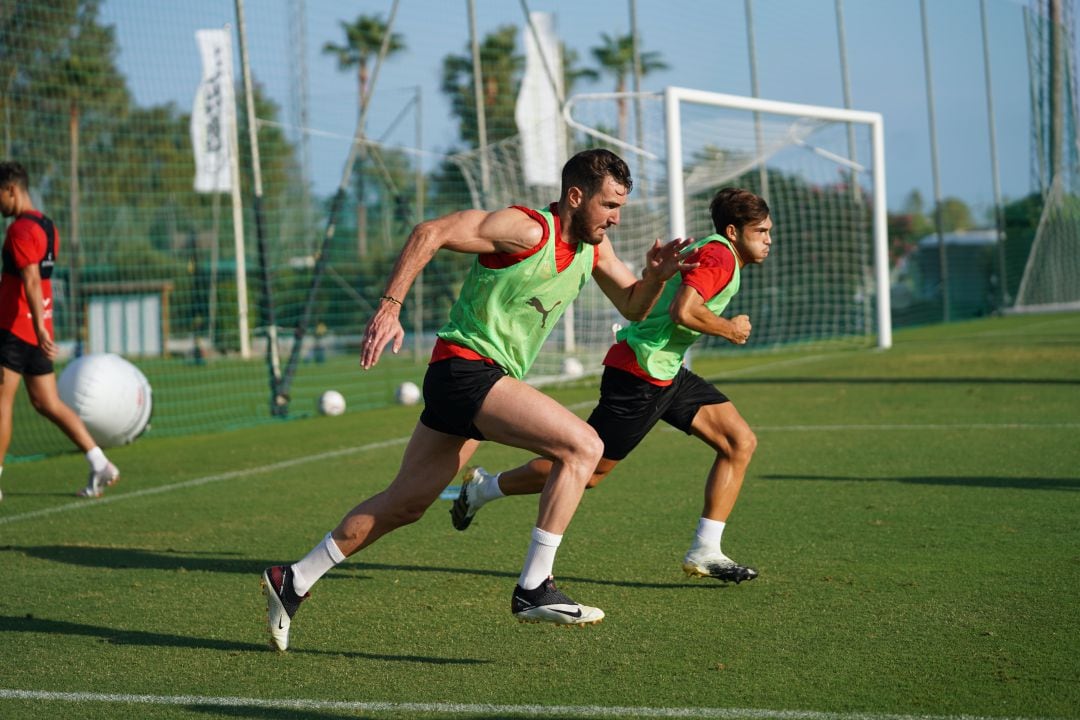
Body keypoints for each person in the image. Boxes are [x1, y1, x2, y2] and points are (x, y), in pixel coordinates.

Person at [261, 149, 695, 651]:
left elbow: (632, 306)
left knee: (405, 503)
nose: (616, 218)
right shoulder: (528, 229)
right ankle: (535, 587)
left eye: (621, 207)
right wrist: (390, 307)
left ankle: (292, 579)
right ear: (576, 196)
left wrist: (657, 278)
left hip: (470, 383)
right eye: (609, 205)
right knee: (583, 447)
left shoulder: (593, 250)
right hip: (466, 371)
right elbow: (430, 231)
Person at [450, 187, 772, 584]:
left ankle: (706, 550)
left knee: (739, 442)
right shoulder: (720, 254)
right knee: (588, 472)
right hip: (639, 374)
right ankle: (483, 489)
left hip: (665, 371)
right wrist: (730, 328)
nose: (768, 240)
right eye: (761, 231)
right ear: (733, 231)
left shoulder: (719, 251)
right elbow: (684, 310)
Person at [0, 161, 120, 501]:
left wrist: (36, 324)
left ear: (11, 189)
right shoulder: (49, 226)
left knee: (2, 403)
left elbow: (32, 279)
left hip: (16, 329)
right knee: (46, 402)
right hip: (40, 329)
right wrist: (43, 324)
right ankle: (100, 462)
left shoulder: (19, 230)